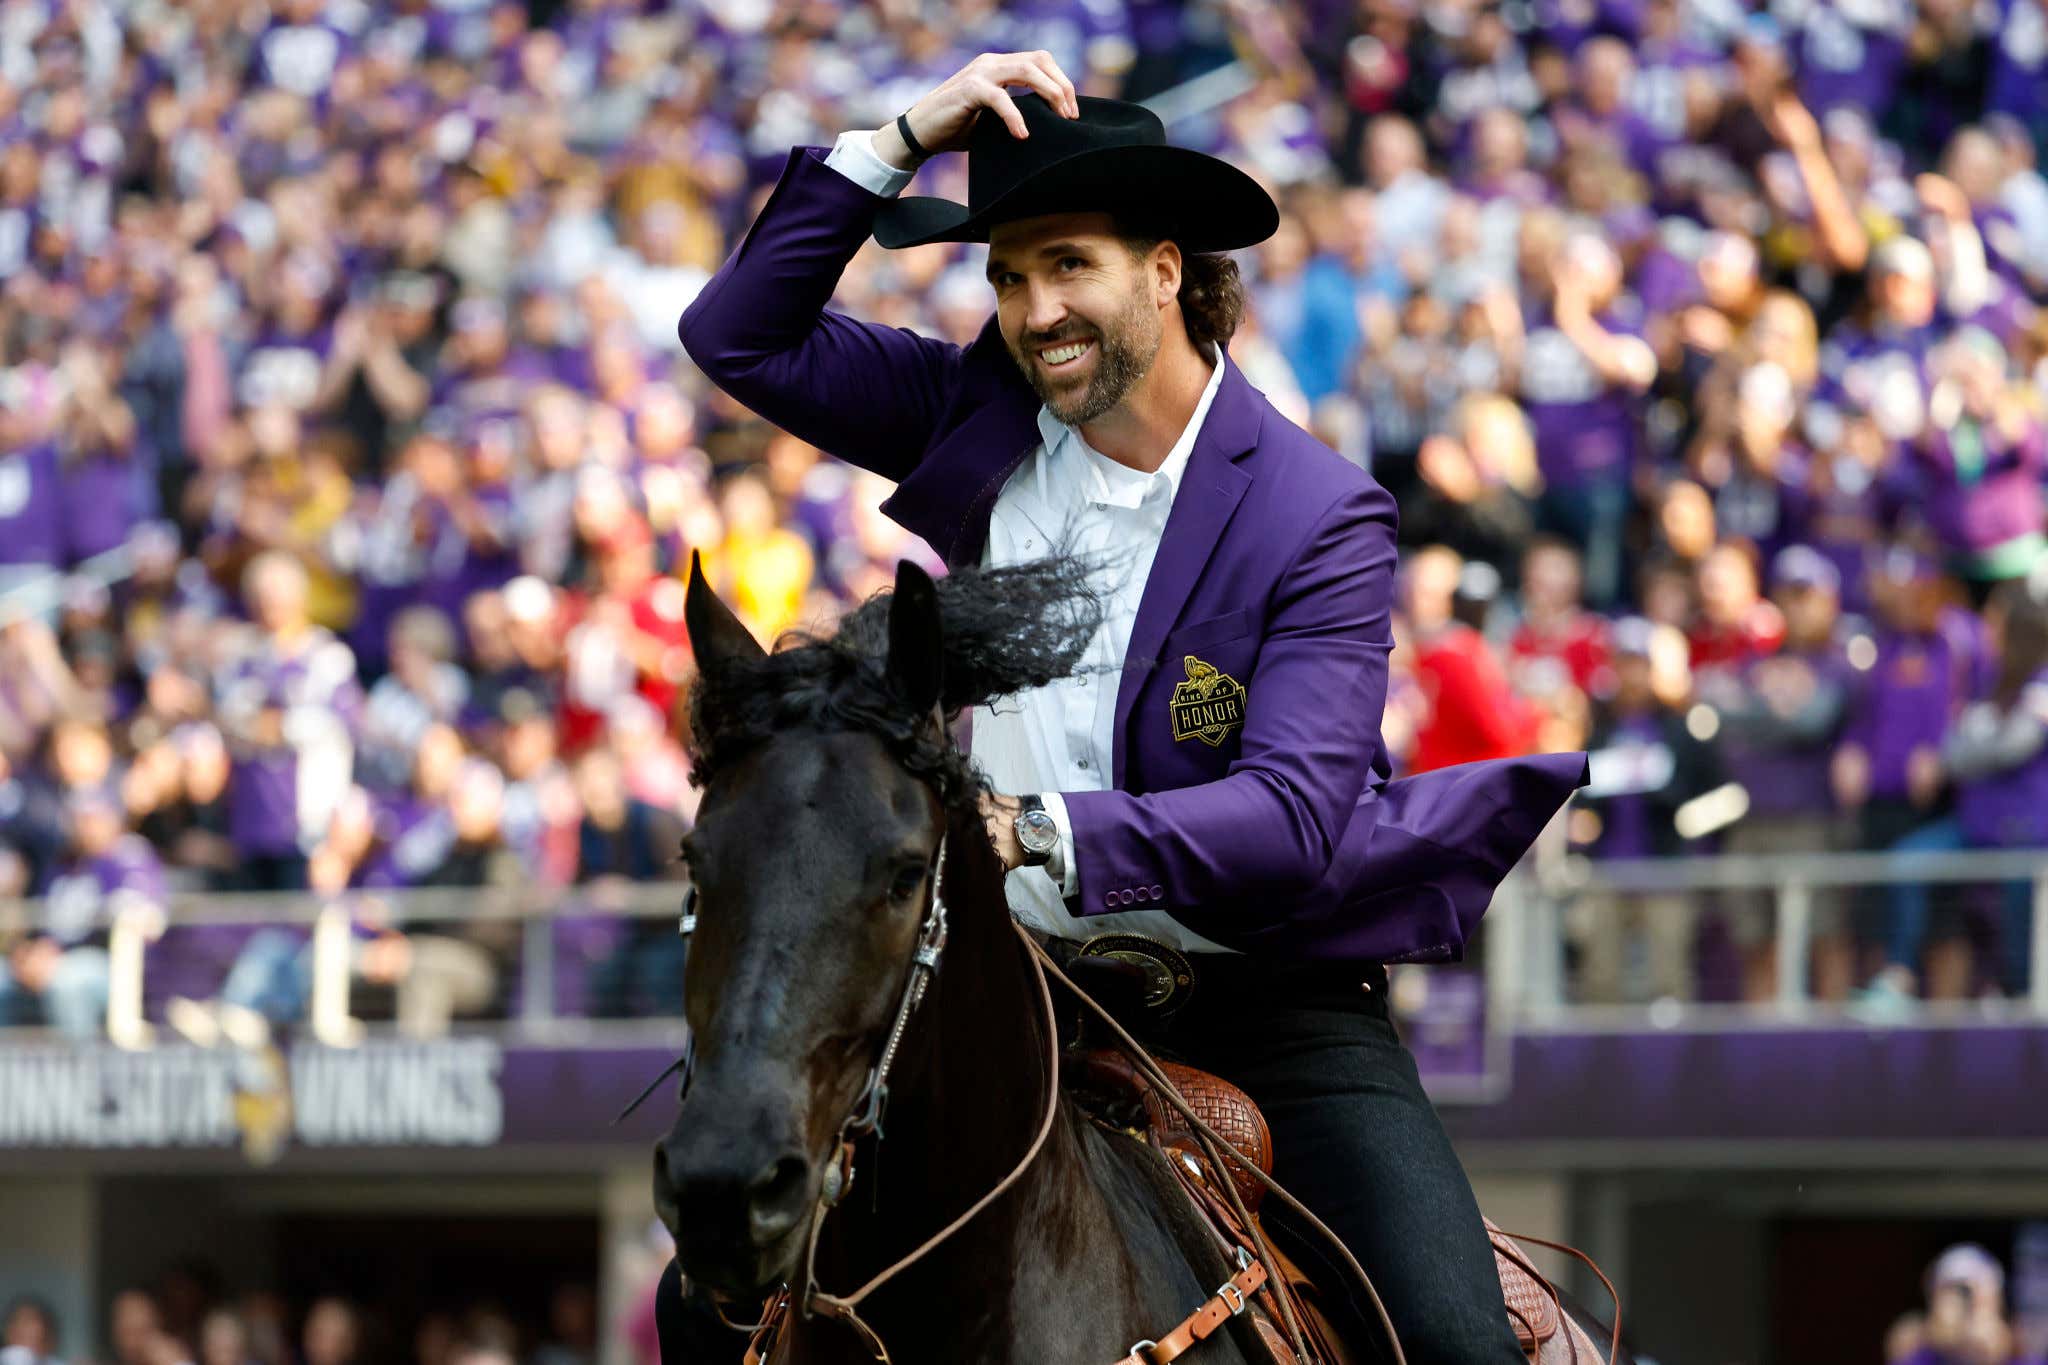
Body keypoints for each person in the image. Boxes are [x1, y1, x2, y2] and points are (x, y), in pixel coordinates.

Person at [674, 53, 1586, 1365]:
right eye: (1005, 276)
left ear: (1169, 267)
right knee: (705, 1304)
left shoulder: (1314, 511)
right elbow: (737, 336)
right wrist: (899, 137)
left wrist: (1040, 831)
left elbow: (1292, 816)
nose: (1031, 309)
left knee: (1453, 1343)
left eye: (1067, 267)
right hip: (1010, 994)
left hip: (1266, 1008)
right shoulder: (974, 413)